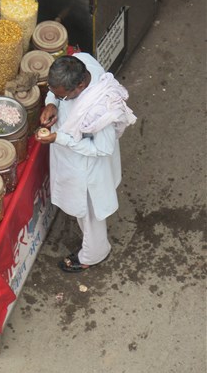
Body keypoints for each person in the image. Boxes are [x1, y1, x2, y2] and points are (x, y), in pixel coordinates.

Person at [35, 53, 136, 272]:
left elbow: (102, 149)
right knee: (82, 211)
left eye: (63, 96)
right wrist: (51, 103)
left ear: (80, 85)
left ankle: (93, 253)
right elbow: (57, 95)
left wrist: (59, 138)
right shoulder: (81, 60)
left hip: (88, 171)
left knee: (89, 216)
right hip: (70, 159)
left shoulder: (102, 111)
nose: (59, 98)